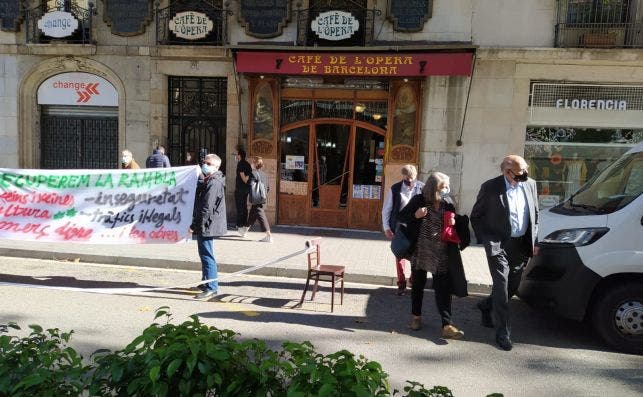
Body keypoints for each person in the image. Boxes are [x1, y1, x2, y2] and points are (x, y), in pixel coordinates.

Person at [471, 155, 539, 351]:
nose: (525, 175)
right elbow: (476, 216)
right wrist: (486, 240)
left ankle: (486, 305)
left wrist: (535, 240)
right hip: (498, 244)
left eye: (526, 171)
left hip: (520, 244)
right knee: (501, 286)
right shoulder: (490, 187)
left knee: (512, 287)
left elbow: (535, 213)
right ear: (506, 171)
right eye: (520, 173)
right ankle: (503, 332)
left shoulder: (530, 185)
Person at [398, 171, 468, 339]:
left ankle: (447, 324)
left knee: (443, 289)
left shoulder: (448, 202)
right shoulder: (419, 200)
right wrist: (416, 215)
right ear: (434, 188)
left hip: (441, 253)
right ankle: (416, 317)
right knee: (418, 286)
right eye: (444, 187)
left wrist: (455, 221)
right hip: (420, 251)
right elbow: (401, 217)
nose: (447, 189)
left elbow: (456, 221)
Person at [381, 164, 424, 295]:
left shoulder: (422, 188)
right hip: (400, 227)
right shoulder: (395, 189)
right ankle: (401, 284)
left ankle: (412, 279)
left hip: (417, 228)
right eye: (407, 178)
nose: (410, 181)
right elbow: (386, 209)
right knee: (399, 254)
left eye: (412, 178)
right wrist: (387, 227)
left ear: (416, 176)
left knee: (416, 255)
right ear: (403, 176)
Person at [190, 153, 227, 300]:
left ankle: (212, 287)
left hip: (208, 224)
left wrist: (195, 225)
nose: (205, 165)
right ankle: (206, 282)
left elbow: (207, 207)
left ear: (217, 166)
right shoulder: (210, 179)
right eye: (204, 162)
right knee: (204, 253)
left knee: (207, 255)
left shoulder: (214, 182)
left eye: (209, 164)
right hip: (207, 223)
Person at [247, 156, 272, 243]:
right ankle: (244, 230)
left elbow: (250, 186)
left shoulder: (253, 173)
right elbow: (268, 188)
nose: (251, 164)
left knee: (261, 216)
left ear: (255, 164)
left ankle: (268, 235)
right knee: (252, 214)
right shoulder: (264, 174)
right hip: (262, 198)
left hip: (257, 199)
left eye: (252, 162)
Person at [234, 146, 252, 237]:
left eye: (237, 155)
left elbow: (244, 178)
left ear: (240, 155)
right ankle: (244, 223)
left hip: (240, 189)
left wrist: (245, 178)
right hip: (246, 189)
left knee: (240, 207)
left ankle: (240, 225)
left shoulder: (241, 164)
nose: (236, 156)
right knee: (244, 207)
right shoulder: (248, 164)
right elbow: (249, 175)